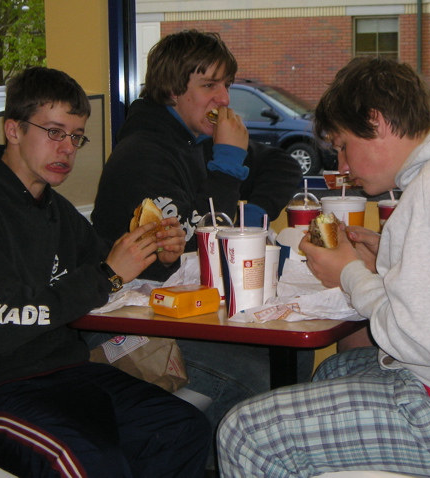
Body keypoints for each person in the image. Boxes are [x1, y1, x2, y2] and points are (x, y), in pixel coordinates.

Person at [217, 57, 430, 477]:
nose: (342, 166)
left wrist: (350, 274)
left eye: (343, 145)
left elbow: (424, 344)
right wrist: (387, 261)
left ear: (376, 121)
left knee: (244, 433)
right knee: (335, 369)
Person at [0, 66, 210, 477]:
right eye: (54, 132)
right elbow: (0, 323)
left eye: (76, 137)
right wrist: (109, 274)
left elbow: (107, 273)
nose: (67, 149)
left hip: (67, 372)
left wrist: (160, 256)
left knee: (183, 428)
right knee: (90, 463)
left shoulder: (55, 210)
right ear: (14, 130)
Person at [90, 29, 310, 468]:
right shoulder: (143, 156)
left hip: (184, 311)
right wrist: (228, 166)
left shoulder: (196, 142)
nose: (225, 98)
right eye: (210, 85)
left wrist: (251, 218)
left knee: (295, 356)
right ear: (173, 90)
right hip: (127, 326)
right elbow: (189, 255)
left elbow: (282, 166)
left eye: (227, 84)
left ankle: (213, 456)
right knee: (263, 372)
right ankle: (184, 456)